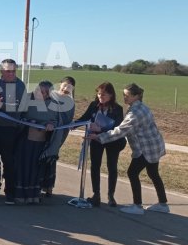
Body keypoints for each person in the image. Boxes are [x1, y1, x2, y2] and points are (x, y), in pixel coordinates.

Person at [89, 83, 169, 215]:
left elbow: (121, 131)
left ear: (136, 96)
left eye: (127, 96)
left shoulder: (135, 112)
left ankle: (137, 206)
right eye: (123, 95)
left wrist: (99, 137)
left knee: (132, 173)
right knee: (153, 173)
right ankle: (163, 204)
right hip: (155, 146)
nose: (124, 98)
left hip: (146, 148)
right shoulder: (140, 107)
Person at [0, 59, 26, 204]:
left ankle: (10, 192)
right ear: (1, 71)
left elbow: (18, 107)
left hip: (9, 129)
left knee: (8, 160)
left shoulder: (20, 85)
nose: (11, 74)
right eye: (8, 71)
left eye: (14, 71)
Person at [76, 82, 126, 207]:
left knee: (112, 166)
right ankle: (96, 195)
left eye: (103, 94)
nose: (100, 96)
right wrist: (73, 125)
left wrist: (100, 130)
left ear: (111, 95)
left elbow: (117, 128)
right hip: (95, 140)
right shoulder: (94, 105)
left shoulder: (117, 109)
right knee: (95, 166)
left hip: (112, 141)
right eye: (98, 94)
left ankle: (111, 196)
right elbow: (85, 117)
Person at [13, 81, 57, 204]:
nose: (39, 94)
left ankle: (33, 195)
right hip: (25, 142)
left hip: (40, 144)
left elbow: (54, 121)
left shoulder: (52, 105)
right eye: (38, 90)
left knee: (35, 170)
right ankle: (20, 195)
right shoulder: (27, 99)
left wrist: (50, 124)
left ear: (48, 95)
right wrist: (29, 121)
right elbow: (18, 116)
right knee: (23, 167)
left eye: (43, 92)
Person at [38, 76, 76, 198]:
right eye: (65, 85)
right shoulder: (51, 95)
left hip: (57, 135)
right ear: (60, 84)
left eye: (69, 87)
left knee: (50, 159)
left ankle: (49, 187)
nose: (66, 88)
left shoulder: (70, 102)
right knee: (39, 158)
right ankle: (37, 186)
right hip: (43, 131)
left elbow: (67, 120)